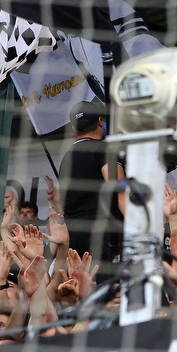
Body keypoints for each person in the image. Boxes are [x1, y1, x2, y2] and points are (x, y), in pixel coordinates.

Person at [58, 101, 125, 265]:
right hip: (102, 238)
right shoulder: (104, 149)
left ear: (74, 128)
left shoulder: (66, 158)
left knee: (83, 289)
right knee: (109, 289)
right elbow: (121, 191)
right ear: (100, 121)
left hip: (75, 241)